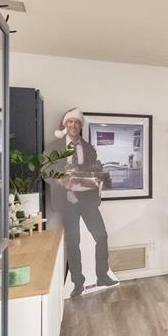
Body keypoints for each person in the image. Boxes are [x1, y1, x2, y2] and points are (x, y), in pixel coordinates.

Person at [47, 107, 117, 297]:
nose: (73, 125)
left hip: (87, 200)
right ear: (65, 124)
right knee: (73, 241)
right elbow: (45, 171)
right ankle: (77, 282)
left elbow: (93, 171)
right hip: (66, 201)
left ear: (80, 126)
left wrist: (99, 178)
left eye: (77, 123)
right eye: (70, 122)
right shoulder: (54, 147)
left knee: (101, 236)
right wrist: (59, 180)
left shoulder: (88, 148)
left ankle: (102, 275)